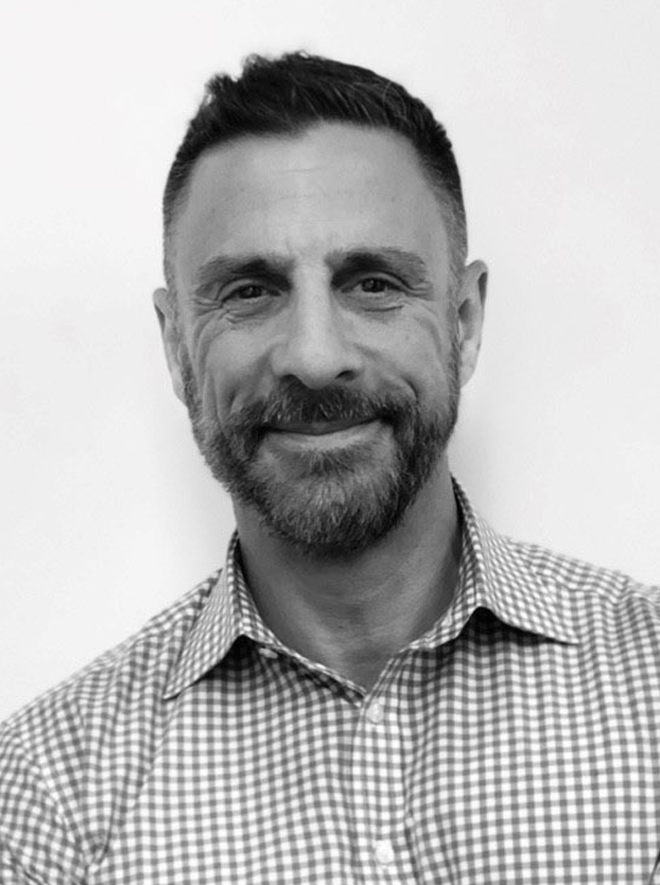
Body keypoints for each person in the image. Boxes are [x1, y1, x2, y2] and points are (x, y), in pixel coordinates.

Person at [1, 51, 659, 885]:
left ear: (463, 320)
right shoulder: (46, 797)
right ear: (175, 346)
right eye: (249, 291)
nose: (314, 357)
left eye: (373, 283)